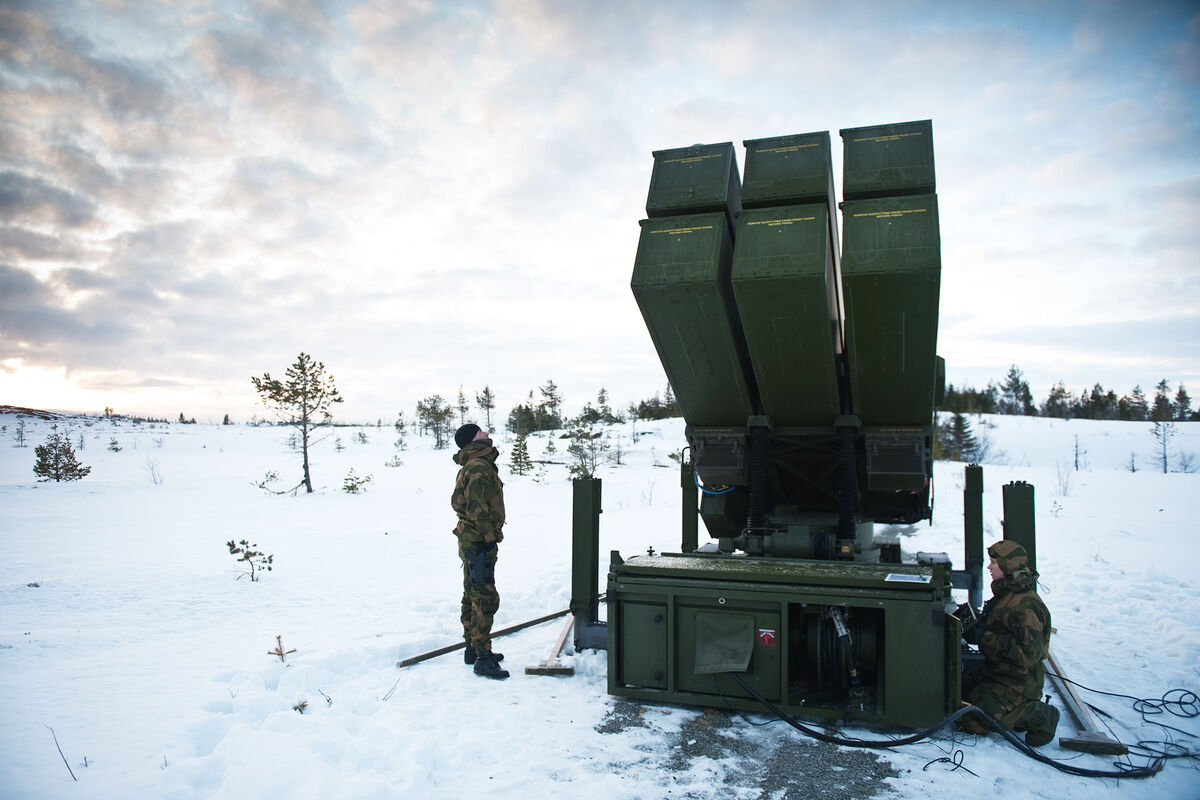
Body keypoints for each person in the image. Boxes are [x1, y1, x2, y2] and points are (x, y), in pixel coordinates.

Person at [961, 540, 1059, 746]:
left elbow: (1029, 655)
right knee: (956, 690)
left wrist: (984, 637)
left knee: (973, 720)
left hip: (1019, 682)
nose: (989, 567)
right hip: (996, 671)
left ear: (1008, 566)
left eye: (994, 563)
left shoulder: (1025, 606)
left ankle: (1038, 714)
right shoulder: (1006, 593)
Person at [451, 423, 509, 679]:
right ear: (473, 440)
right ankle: (483, 657)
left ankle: (473, 649)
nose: (486, 433)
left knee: (472, 593)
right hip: (478, 541)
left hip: (471, 539)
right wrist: (488, 537)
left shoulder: (476, 463)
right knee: (484, 597)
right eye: (480, 432)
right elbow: (476, 508)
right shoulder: (477, 466)